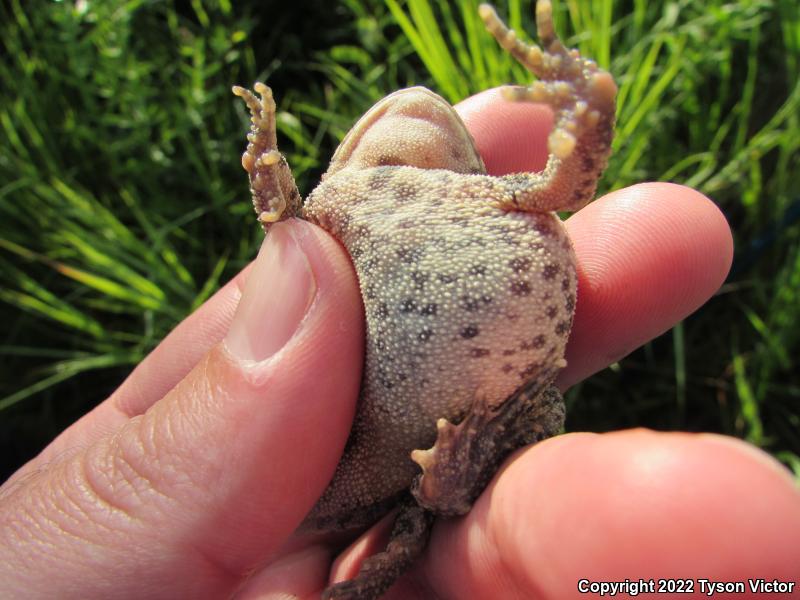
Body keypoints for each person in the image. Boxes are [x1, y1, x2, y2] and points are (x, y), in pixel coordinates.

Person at [1, 89, 798, 599]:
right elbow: (282, 221)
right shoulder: (336, 206)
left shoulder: (494, 192)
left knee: (461, 503)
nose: (413, 104)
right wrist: (266, 156)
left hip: (461, 439)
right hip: (344, 450)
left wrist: (588, 107)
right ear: (346, 156)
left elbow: (570, 184)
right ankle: (423, 517)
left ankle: (432, 510)